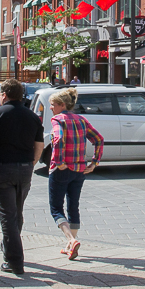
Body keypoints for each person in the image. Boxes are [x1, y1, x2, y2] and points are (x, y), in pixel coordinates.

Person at [0, 79, 44, 275]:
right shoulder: (32, 117)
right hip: (24, 169)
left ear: (4, 95)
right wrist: (32, 163)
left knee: (7, 216)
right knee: (16, 212)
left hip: (1, 168)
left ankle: (14, 261)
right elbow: (39, 145)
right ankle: (9, 248)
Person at [48, 88, 104, 261]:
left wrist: (59, 162)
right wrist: (94, 162)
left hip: (62, 170)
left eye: (53, 105)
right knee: (73, 206)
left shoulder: (58, 119)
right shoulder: (81, 119)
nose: (51, 108)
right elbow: (99, 139)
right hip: (79, 169)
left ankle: (71, 241)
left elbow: (57, 139)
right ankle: (70, 246)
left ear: (62, 105)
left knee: (56, 208)